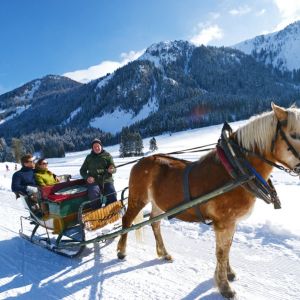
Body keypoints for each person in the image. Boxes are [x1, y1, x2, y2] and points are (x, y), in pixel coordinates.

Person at [80, 138, 117, 206]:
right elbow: (82, 170)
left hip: (106, 179)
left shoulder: (107, 155)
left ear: (101, 146)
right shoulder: (89, 157)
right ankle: (96, 211)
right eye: (94, 147)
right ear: (92, 148)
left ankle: (111, 211)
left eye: (98, 146)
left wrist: (112, 169)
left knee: (112, 193)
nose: (97, 148)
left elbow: (114, 168)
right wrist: (88, 177)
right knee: (94, 194)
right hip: (94, 181)